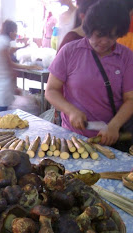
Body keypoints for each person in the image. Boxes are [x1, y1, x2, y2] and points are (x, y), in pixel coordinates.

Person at [45, 0, 133, 149]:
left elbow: (130, 99)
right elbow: (51, 90)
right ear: (88, 28)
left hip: (109, 140)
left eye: (112, 36)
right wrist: (71, 111)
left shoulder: (126, 56)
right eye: (99, 35)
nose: (105, 41)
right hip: (73, 139)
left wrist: (114, 125)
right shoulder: (70, 51)